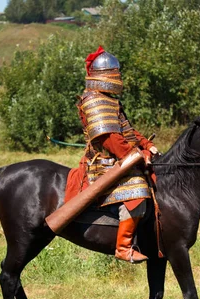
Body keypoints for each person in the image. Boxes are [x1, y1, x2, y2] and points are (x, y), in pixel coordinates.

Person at [64, 46, 159, 263]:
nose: (119, 77)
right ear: (106, 76)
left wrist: (145, 144)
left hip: (119, 158)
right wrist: (137, 154)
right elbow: (111, 140)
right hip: (104, 164)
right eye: (116, 73)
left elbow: (126, 131)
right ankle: (123, 247)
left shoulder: (108, 99)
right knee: (137, 190)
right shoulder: (95, 100)